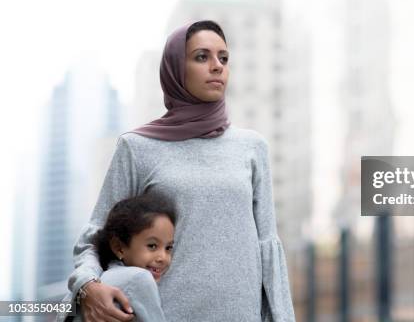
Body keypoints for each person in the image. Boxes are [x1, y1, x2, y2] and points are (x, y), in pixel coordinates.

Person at [65, 20, 296, 322]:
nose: (217, 66)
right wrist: (87, 286)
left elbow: (267, 246)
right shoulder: (137, 148)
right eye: (202, 57)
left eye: (223, 58)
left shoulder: (252, 147)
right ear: (175, 68)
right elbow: (96, 235)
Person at [59, 192, 176, 322]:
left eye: (168, 248)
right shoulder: (138, 278)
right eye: (152, 246)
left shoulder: (100, 280)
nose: (163, 257)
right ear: (119, 247)